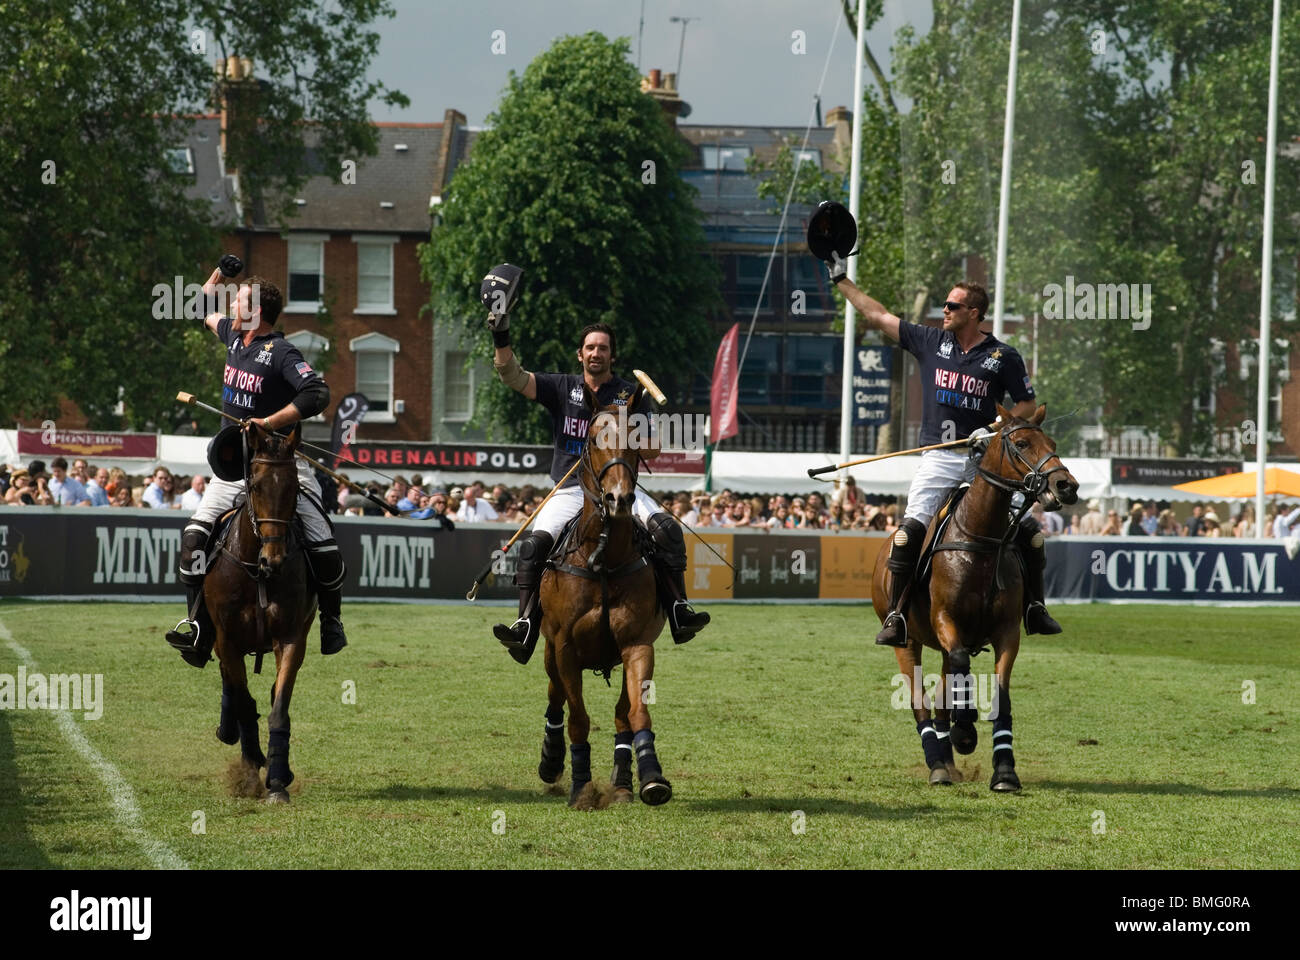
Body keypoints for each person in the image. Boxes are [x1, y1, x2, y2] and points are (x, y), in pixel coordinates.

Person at [834, 270, 1059, 645]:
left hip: (985, 462)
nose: (945, 310)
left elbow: (1027, 404)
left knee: (1031, 536)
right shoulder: (929, 341)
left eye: (952, 305)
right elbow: (877, 316)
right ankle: (896, 616)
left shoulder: (1004, 356)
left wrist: (991, 430)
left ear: (974, 312)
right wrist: (841, 278)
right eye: (945, 304)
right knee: (907, 536)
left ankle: (1035, 607)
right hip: (939, 458)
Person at [486, 289, 709, 663]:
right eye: (589, 347)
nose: (595, 353)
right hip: (570, 489)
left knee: (668, 531)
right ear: (580, 354)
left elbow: (653, 449)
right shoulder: (561, 388)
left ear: (612, 355)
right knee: (535, 544)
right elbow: (512, 375)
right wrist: (501, 335)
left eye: (603, 348)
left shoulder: (629, 393)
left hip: (619, 486)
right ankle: (525, 623)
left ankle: (678, 610)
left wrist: (623, 432)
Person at [165, 262, 347, 668]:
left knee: (325, 547)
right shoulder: (234, 337)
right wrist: (217, 274)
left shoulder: (282, 352)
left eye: (239, 301)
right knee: (193, 540)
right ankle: (197, 624)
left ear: (257, 312)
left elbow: (317, 393)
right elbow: (197, 308)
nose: (231, 305)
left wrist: (268, 422)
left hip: (281, 469)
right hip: (236, 468)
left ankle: (331, 621)